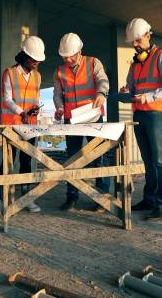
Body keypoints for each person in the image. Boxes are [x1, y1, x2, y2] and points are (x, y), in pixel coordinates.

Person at [118, 18, 162, 221]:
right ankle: (150, 200)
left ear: (148, 35)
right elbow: (131, 87)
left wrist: (148, 96)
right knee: (148, 161)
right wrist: (126, 91)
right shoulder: (135, 63)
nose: (135, 45)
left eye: (137, 40)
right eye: (132, 42)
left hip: (157, 114)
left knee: (161, 161)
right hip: (140, 114)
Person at [53, 33, 110, 211]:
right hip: (71, 119)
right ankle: (72, 197)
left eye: (71, 55)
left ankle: (102, 197)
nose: (68, 59)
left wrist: (101, 93)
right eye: (64, 56)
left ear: (80, 51)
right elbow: (57, 94)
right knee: (72, 160)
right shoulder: (60, 71)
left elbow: (102, 80)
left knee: (99, 157)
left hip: (93, 117)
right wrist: (60, 107)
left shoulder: (93, 63)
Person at [0, 35, 45, 217]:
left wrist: (35, 111)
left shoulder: (37, 76)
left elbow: (34, 99)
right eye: (34, 60)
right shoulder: (10, 73)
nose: (37, 63)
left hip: (31, 126)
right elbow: (7, 99)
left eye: (38, 60)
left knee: (27, 162)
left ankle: (26, 198)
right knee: (7, 162)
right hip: (12, 124)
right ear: (25, 57)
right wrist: (21, 112)